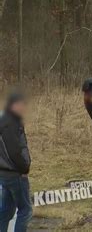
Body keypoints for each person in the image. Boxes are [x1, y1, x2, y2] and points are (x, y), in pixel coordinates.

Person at [0, 92, 32, 232]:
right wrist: (24, 168)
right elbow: (14, 151)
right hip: (15, 173)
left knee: (6, 211)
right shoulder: (10, 123)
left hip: (4, 173)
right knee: (25, 211)